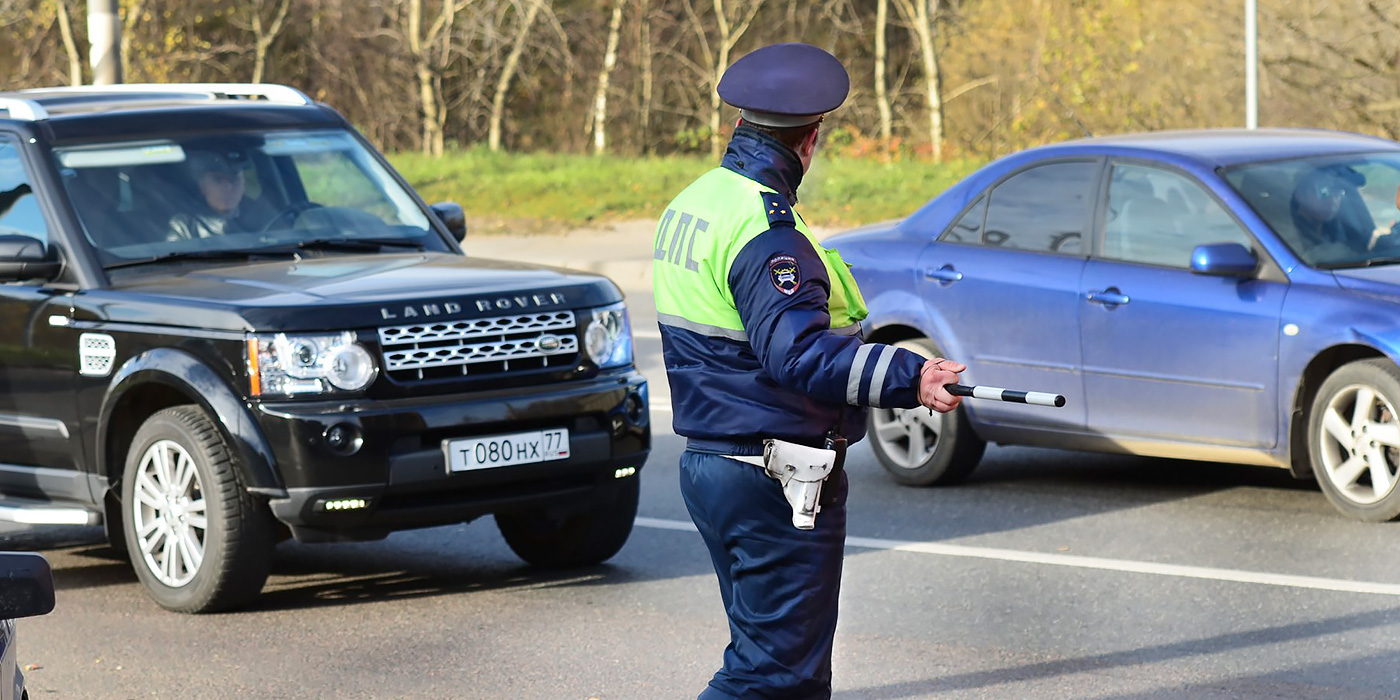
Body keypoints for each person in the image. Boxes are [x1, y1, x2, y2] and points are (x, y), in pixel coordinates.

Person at [650, 42, 965, 700]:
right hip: (773, 472)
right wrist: (911, 376)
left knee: (780, 669)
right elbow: (798, 355)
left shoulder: (697, 201)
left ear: (740, 124)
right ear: (811, 138)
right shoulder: (769, 233)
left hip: (716, 463)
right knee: (772, 676)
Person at [167, 148, 257, 240]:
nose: (227, 187)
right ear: (203, 186)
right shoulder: (185, 225)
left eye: (233, 180)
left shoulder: (263, 217)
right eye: (217, 180)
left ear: (243, 185)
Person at [1288, 168, 1372, 260]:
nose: (1334, 199)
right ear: (1301, 195)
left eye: (1339, 192)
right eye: (1325, 192)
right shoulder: (1289, 236)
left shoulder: (1336, 229)